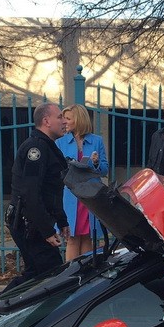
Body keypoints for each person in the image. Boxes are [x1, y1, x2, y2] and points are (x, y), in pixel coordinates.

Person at [5, 102, 69, 289]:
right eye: (60, 117)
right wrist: (46, 231)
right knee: (50, 272)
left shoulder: (47, 147)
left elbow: (52, 190)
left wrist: (61, 220)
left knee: (37, 274)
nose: (64, 121)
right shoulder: (37, 149)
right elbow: (30, 194)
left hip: (34, 223)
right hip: (28, 224)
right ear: (46, 121)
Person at [56, 104, 109, 261]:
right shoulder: (60, 142)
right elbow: (57, 171)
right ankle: (71, 276)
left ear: (78, 120)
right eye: (63, 118)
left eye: (68, 118)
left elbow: (105, 170)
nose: (64, 121)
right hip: (70, 196)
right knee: (72, 238)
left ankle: (86, 273)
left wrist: (96, 162)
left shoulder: (96, 141)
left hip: (90, 195)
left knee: (88, 237)